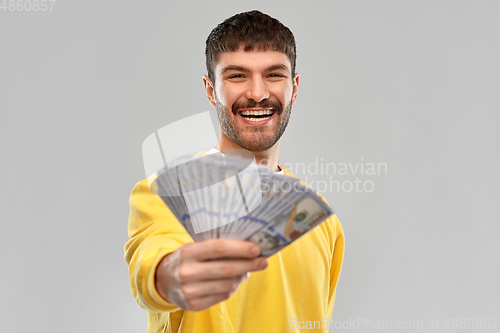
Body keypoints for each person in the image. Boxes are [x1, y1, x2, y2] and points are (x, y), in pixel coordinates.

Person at [124, 10, 345, 332]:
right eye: (237, 76)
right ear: (211, 89)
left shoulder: (319, 216)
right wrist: (168, 275)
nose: (257, 93)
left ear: (294, 87)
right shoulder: (170, 191)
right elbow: (151, 259)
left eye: (274, 75)